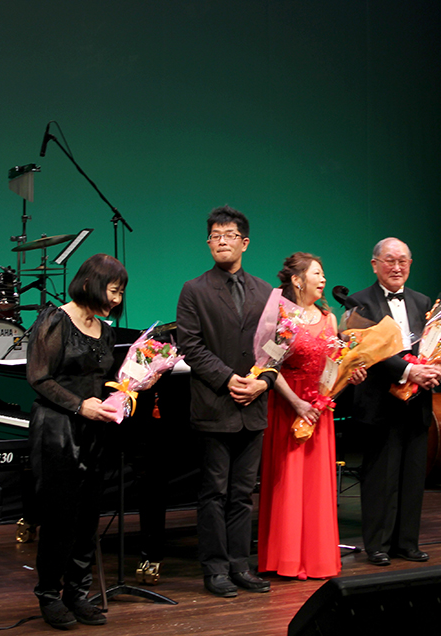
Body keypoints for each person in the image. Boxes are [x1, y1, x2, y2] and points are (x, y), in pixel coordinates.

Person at [175, 206, 275, 598]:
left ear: (244, 243)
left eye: (229, 235)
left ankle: (240, 565)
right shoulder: (194, 289)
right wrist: (229, 378)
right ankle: (215, 568)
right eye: (215, 236)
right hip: (215, 405)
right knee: (214, 492)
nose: (221, 241)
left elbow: (278, 347)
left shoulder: (266, 292)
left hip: (254, 406)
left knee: (243, 493)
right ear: (208, 243)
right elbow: (190, 346)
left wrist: (262, 383)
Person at [26, 253, 127, 628]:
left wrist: (128, 390)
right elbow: (38, 377)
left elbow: (105, 381)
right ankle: (49, 594)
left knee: (87, 520)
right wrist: (79, 405)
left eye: (120, 292)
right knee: (60, 519)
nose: (116, 299)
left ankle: (77, 593)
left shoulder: (106, 331)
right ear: (89, 284)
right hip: (57, 430)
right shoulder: (55, 321)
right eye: (112, 290)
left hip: (93, 433)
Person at [257, 253, 366, 579]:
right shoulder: (281, 317)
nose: (323, 279)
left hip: (319, 411)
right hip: (287, 406)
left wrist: (347, 378)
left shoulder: (329, 320)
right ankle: (286, 558)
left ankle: (316, 557)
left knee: (317, 485)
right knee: (289, 481)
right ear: (297, 280)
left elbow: (333, 368)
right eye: (317, 273)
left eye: (323, 273)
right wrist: (297, 404)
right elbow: (267, 366)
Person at [345, 238, 441, 566]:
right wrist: (408, 371)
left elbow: (435, 346)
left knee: (413, 476)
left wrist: (438, 367)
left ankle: (407, 543)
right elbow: (368, 351)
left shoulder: (422, 301)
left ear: (410, 264)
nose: (397, 267)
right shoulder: (359, 302)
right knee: (380, 478)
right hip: (380, 403)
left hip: (417, 403)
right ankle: (378, 544)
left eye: (403, 261)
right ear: (375, 264)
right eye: (390, 260)